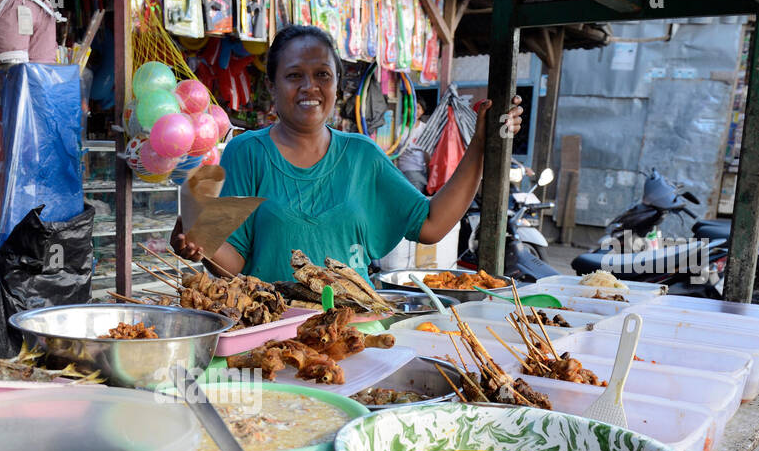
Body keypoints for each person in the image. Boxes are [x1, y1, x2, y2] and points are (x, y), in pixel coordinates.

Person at [171, 25, 521, 281]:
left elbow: (431, 225)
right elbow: (234, 264)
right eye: (294, 75)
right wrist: (200, 242)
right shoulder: (245, 152)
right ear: (272, 86)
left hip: (353, 330)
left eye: (322, 74)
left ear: (337, 84)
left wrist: (481, 144)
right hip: (271, 334)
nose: (310, 87)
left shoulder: (362, 156)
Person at [396, 100, 430, 194]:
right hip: (406, 170)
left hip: (421, 171)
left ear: (423, 111)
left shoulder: (425, 128)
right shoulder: (399, 129)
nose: (415, 111)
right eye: (412, 107)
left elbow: (428, 153)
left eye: (418, 108)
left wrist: (430, 174)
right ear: (407, 110)